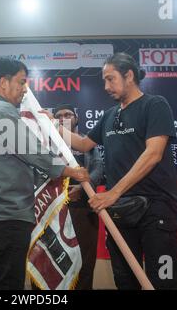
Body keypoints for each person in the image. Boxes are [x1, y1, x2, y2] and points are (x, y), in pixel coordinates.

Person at [48, 52, 177, 290]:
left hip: (155, 209)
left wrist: (113, 193)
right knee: (125, 280)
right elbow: (82, 144)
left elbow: (153, 154)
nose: (106, 86)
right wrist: (52, 124)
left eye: (111, 79)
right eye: (104, 80)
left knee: (162, 282)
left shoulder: (155, 105)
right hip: (121, 211)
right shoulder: (110, 115)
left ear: (129, 75)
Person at [0, 57, 90, 290]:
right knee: (7, 282)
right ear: (4, 83)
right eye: (22, 82)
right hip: (6, 213)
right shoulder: (1, 111)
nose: (25, 89)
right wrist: (72, 172)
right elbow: (35, 153)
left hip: (1, 210)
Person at [53, 103, 103, 290]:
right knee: (50, 259)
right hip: (53, 209)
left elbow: (98, 168)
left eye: (68, 114)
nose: (64, 117)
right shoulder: (46, 142)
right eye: (59, 115)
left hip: (82, 207)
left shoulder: (85, 142)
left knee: (84, 259)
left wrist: (83, 188)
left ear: (76, 119)